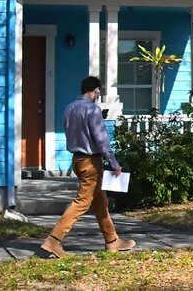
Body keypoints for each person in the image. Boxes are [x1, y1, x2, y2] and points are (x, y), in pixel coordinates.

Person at [41, 76, 136, 258]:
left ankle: (112, 240)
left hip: (77, 160)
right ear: (97, 91)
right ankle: (53, 240)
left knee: (101, 202)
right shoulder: (93, 109)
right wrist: (114, 163)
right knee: (82, 202)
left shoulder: (69, 108)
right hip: (91, 162)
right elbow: (101, 139)